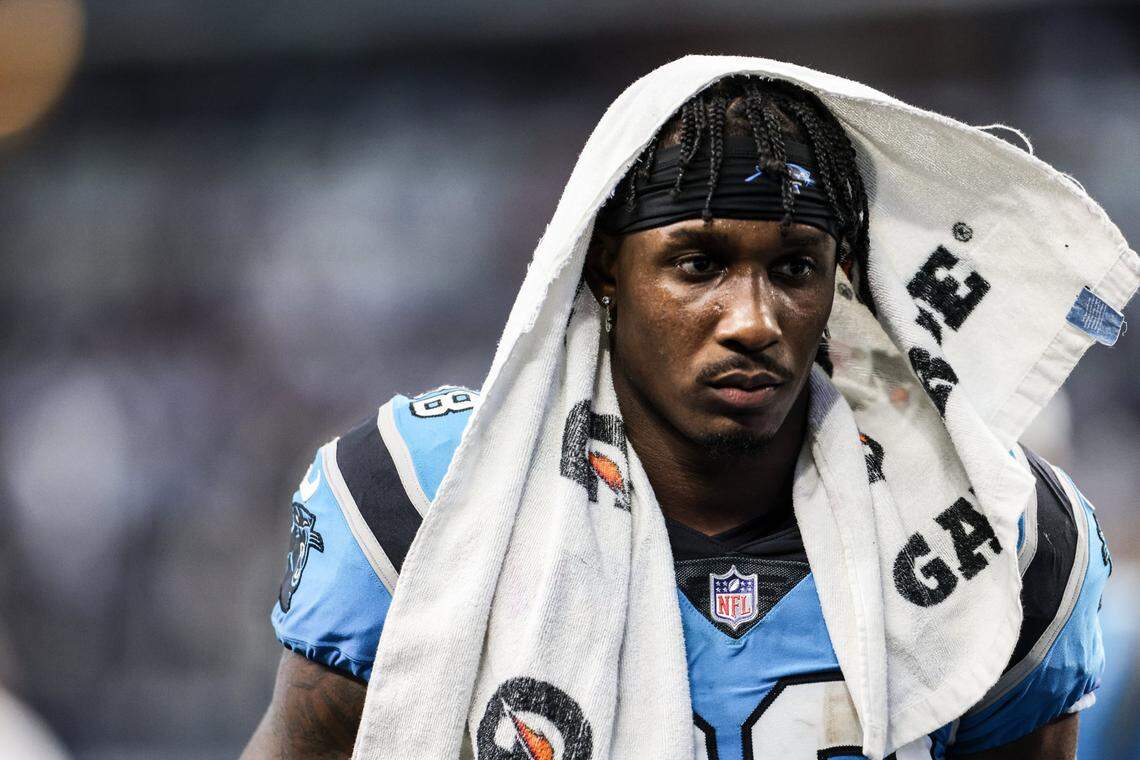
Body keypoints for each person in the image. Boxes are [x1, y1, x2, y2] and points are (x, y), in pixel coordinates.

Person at [244, 67, 1118, 759]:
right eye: (698, 264)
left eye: (794, 268)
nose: (753, 320)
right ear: (603, 270)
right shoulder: (423, 497)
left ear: (840, 282)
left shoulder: (999, 534)